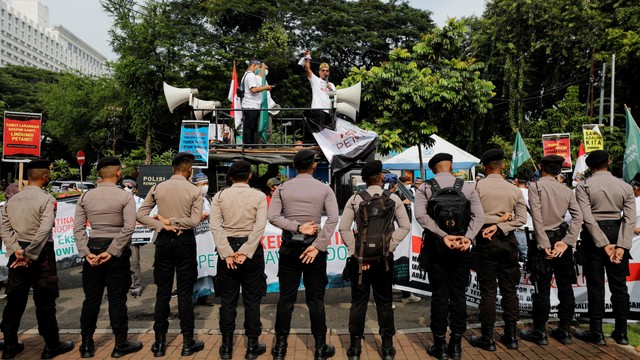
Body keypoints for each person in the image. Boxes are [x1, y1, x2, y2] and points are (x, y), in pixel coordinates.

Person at [267, 149, 339, 360]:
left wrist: (297, 227)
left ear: (293, 166)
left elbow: (272, 217)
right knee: (316, 300)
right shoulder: (324, 188)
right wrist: (318, 245)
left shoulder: (282, 188)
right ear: (314, 165)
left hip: (290, 247)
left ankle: (280, 348)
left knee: (286, 299)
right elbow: (333, 219)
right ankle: (319, 348)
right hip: (314, 249)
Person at [0, 159, 74, 359]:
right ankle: (51, 345)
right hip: (41, 254)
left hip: (18, 254)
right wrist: (30, 254)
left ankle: (9, 345)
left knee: (14, 301)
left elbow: (5, 229)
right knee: (45, 301)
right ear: (45, 177)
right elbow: (44, 230)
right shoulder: (47, 199)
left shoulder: (12, 200)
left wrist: (17, 250)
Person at [415, 153, 485, 360]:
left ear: (433, 169)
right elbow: (479, 216)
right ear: (451, 166)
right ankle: (456, 345)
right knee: (458, 296)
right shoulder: (467, 187)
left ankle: (440, 346)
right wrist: (468, 238)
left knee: (439, 296)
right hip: (461, 249)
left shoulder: (425, 188)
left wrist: (444, 235)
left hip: (436, 249)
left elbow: (420, 216)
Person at [339, 160, 411, 360]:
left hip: (361, 261)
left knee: (358, 302)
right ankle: (387, 348)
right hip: (384, 260)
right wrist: (390, 246)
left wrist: (356, 251)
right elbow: (405, 226)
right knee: (384, 302)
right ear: (381, 177)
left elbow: (343, 228)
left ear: (363, 179)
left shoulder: (354, 199)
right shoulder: (394, 199)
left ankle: (354, 348)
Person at [136, 152, 205, 357]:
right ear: (189, 169)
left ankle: (159, 344)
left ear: (173, 168)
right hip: (185, 242)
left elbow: (140, 214)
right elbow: (193, 221)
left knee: (162, 293)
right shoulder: (194, 190)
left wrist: (164, 224)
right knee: (185, 294)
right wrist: (175, 223)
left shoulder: (158, 187)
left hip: (164, 242)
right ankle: (187, 342)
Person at [74, 157, 143, 358]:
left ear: (99, 175)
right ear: (118, 173)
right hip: (117, 252)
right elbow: (129, 227)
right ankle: (120, 344)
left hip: (92, 249)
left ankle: (87, 345)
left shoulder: (86, 196)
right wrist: (112, 251)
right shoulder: (125, 196)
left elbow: (78, 228)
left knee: (91, 300)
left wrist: (86, 253)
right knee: (117, 300)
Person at [519, 155, 582, 346]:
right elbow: (578, 218)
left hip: (542, 242)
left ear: (541, 167)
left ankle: (539, 332)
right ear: (558, 171)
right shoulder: (566, 190)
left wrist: (545, 244)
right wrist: (567, 241)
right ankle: (564, 330)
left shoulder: (535, 187)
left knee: (542, 289)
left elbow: (537, 218)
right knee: (565, 288)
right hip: (561, 240)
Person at [574, 150, 635, 345]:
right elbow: (630, 218)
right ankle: (622, 332)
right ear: (608, 162)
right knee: (619, 286)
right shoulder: (625, 186)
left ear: (590, 167)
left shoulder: (584, 186)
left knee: (596, 285)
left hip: (595, 238)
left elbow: (587, 217)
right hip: (617, 233)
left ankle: (597, 332)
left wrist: (604, 244)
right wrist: (622, 245)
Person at [210, 160, 268, 360]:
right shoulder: (259, 196)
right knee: (252, 300)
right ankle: (252, 347)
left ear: (230, 177)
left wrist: (226, 253)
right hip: (251, 253)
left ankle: (226, 347)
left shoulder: (219, 196)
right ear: (250, 176)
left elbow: (215, 227)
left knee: (228, 301)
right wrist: (245, 251)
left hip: (227, 250)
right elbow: (260, 227)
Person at [470, 149, 526, 352]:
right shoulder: (514, 190)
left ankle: (487, 337)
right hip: (508, 241)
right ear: (502, 166)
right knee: (510, 290)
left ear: (484, 167)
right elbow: (521, 219)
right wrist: (501, 223)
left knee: (488, 292)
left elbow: (471, 217)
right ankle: (511, 336)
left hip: (485, 242)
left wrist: (491, 222)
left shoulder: (476, 187)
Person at [191, 173, 215, 307]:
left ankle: (204, 296)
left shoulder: (208, 199)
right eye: (201, 184)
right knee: (194, 265)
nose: (205, 186)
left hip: (207, 237)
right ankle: (190, 295)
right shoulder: (191, 199)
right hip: (195, 237)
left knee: (206, 265)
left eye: (206, 183)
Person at [242, 60, 274, 145]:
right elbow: (253, 89)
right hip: (250, 105)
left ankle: (250, 144)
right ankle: (248, 145)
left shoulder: (247, 75)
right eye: (258, 67)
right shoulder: (250, 75)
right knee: (249, 127)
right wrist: (265, 87)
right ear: (254, 65)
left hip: (253, 105)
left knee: (251, 127)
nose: (258, 69)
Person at [123, 177, 145, 298]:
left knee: (134, 262)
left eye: (129, 187)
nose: (126, 188)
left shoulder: (140, 202)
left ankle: (136, 286)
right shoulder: (117, 199)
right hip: (119, 237)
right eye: (124, 186)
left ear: (135, 189)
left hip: (134, 237)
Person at [303, 49, 335, 130]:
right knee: (319, 132)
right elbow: (307, 69)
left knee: (328, 133)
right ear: (319, 72)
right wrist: (306, 57)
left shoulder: (331, 85)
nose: (325, 72)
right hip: (318, 110)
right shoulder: (316, 80)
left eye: (327, 71)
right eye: (323, 70)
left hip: (328, 112)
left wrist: (330, 89)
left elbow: (333, 99)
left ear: (329, 72)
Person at [514, 169, 533, 262]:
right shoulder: (533, 193)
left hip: (520, 229)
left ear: (516, 180)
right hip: (534, 229)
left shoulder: (513, 192)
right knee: (531, 259)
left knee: (523, 259)